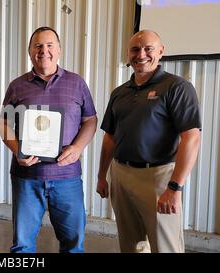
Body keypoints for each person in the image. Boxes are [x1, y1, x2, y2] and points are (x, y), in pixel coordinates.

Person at [96, 30, 201, 253]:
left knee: (166, 246)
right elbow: (109, 137)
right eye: (135, 49)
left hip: (158, 177)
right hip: (121, 175)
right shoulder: (119, 93)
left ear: (161, 52)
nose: (141, 54)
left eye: (148, 48)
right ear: (128, 54)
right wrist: (101, 177)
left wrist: (174, 187)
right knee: (130, 244)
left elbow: (191, 137)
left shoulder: (177, 88)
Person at [0, 26, 97, 253]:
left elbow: (90, 120)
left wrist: (77, 147)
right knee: (22, 246)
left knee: (73, 244)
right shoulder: (17, 85)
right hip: (27, 178)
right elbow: (3, 123)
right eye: (38, 46)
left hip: (67, 177)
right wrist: (18, 151)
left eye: (50, 45)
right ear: (29, 51)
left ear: (59, 50)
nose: (44, 50)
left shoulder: (77, 83)